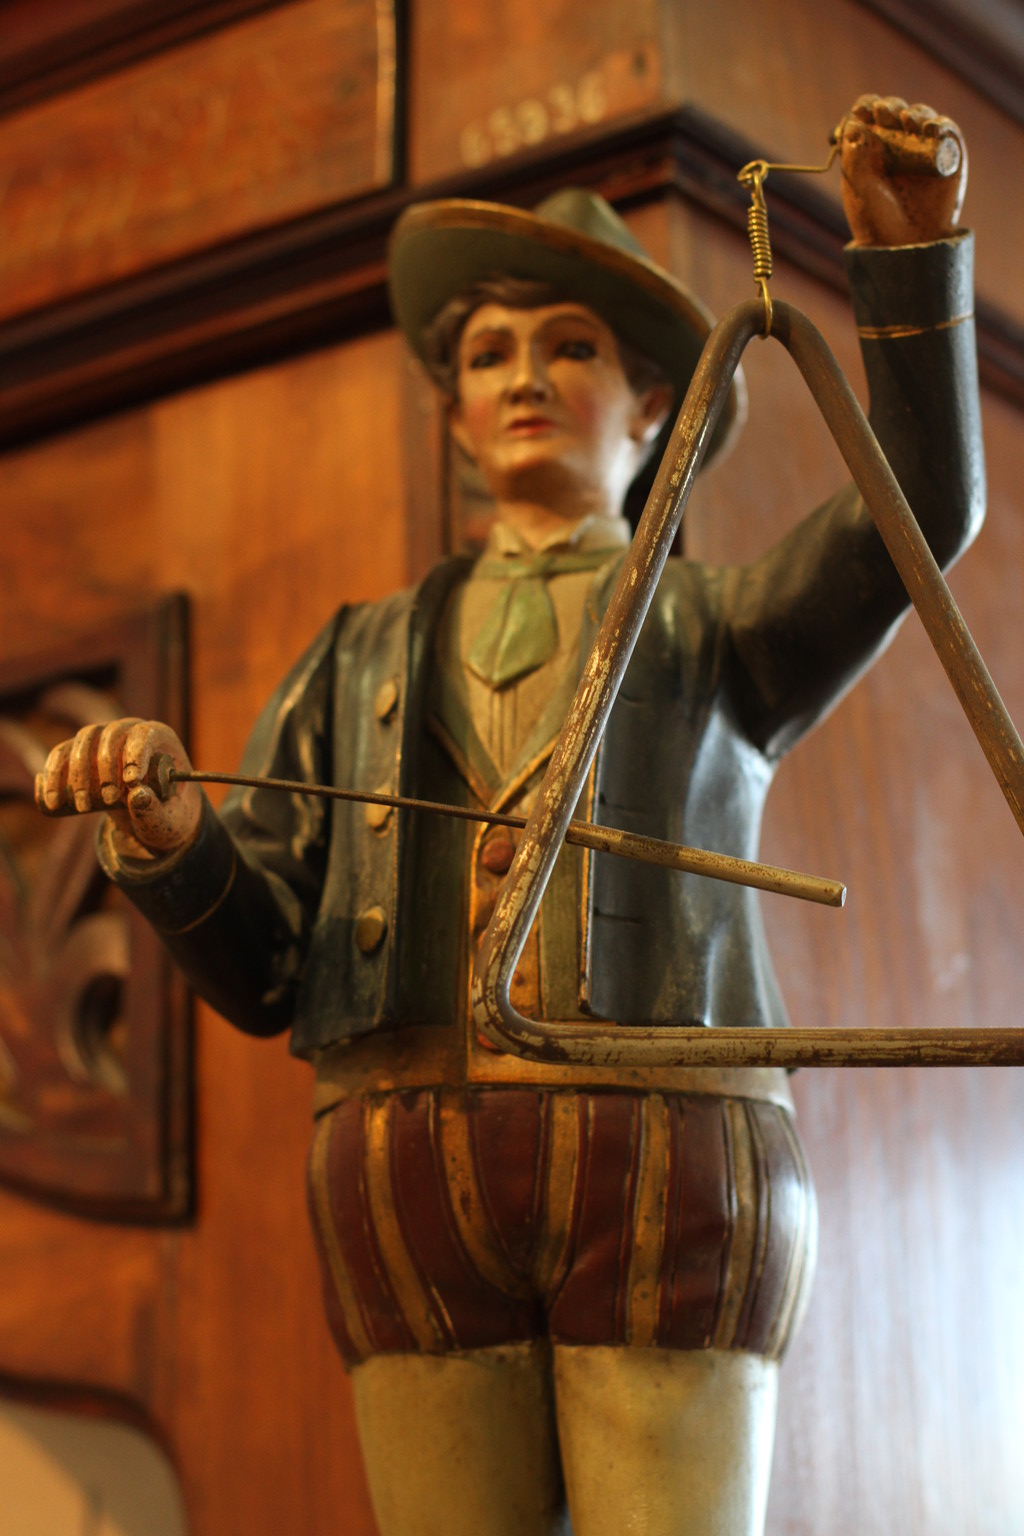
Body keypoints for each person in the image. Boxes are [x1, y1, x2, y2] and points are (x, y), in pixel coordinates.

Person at [37, 95, 983, 1536]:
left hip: (670, 1162)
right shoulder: (355, 658)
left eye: (573, 347)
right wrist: (170, 842)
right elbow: (267, 966)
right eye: (489, 353)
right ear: (456, 414)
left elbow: (916, 511)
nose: (526, 378)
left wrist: (909, 272)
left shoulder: (718, 630)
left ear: (654, 406)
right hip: (401, 1172)